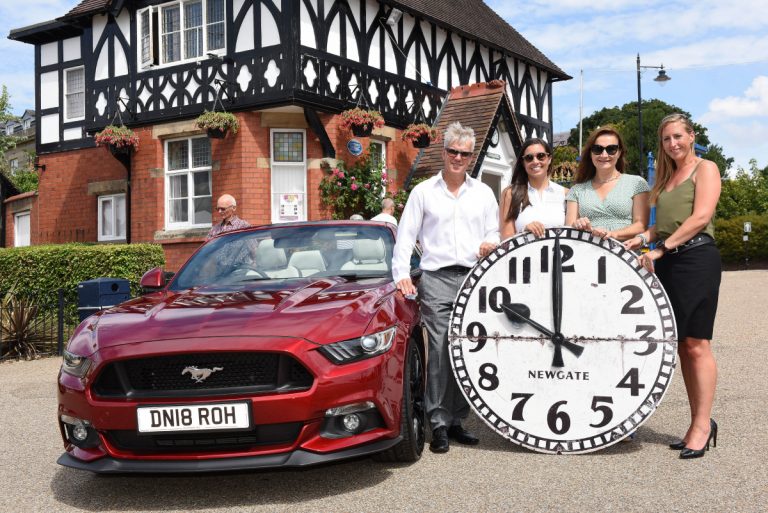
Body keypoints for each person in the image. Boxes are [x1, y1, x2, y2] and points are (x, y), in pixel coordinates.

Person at [392, 121, 499, 453]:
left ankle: (457, 420)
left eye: (464, 154)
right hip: (436, 278)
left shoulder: (483, 192)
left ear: (471, 157)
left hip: (472, 277)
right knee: (439, 347)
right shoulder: (423, 191)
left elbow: (494, 232)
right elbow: (405, 235)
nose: (458, 158)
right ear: (444, 152)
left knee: (465, 349)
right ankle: (437, 421)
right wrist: (401, 274)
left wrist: (489, 244)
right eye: (453, 151)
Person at [623, 113, 721, 459]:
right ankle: (698, 422)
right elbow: (659, 227)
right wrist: (641, 240)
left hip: (696, 259)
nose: (673, 144)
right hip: (669, 260)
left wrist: (661, 248)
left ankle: (702, 424)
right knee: (681, 345)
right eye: (666, 139)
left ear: (691, 136)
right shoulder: (664, 177)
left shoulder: (705, 168)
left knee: (697, 343)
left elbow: (700, 217)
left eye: (678, 136)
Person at [566, 126, 649, 240]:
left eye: (611, 149)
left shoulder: (636, 183)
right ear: (590, 153)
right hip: (587, 254)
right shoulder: (577, 190)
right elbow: (568, 229)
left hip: (624, 254)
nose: (604, 155)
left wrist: (613, 234)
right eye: (597, 149)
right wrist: (577, 225)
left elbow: (641, 225)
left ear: (619, 153)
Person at [499, 138, 566, 239]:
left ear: (549, 159)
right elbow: (505, 237)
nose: (535, 161)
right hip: (524, 254)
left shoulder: (565, 193)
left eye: (541, 156)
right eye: (529, 158)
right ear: (523, 162)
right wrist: (524, 231)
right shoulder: (510, 193)